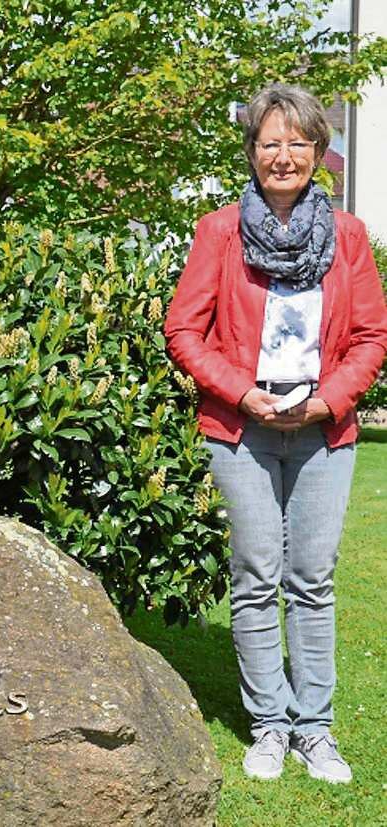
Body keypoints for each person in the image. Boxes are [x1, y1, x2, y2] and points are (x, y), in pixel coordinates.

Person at [165, 84, 387, 785]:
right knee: (257, 578)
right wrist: (239, 391)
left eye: (298, 142)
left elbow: (370, 335)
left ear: (320, 153)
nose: (283, 155)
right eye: (270, 142)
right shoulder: (219, 231)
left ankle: (313, 730)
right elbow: (182, 329)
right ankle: (268, 724)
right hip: (240, 431)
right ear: (252, 152)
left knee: (313, 581)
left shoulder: (348, 237)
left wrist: (330, 400)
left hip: (326, 432)